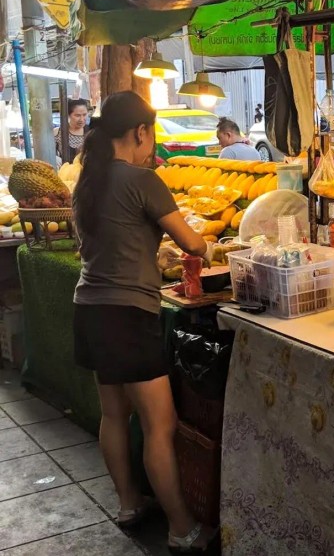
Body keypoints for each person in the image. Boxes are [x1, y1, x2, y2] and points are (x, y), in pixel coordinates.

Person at [72, 91, 215, 553]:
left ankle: (129, 504)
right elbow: (193, 244)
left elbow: (114, 241)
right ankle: (181, 527)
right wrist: (207, 247)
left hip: (90, 307)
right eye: (150, 135)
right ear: (140, 132)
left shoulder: (87, 180)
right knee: (160, 423)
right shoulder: (144, 179)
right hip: (128, 314)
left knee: (114, 413)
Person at [55, 99, 89, 163]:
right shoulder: (57, 133)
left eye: (84, 115)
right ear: (68, 115)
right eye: (77, 115)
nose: (82, 119)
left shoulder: (91, 131)